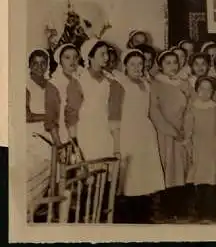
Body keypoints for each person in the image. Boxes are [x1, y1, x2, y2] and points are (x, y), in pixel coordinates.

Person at [115, 49, 165, 223]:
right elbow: (115, 113)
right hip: (129, 131)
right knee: (130, 177)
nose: (137, 67)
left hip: (145, 131)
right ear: (125, 66)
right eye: (132, 64)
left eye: (140, 64)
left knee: (145, 174)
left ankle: (144, 212)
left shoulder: (146, 84)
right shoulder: (120, 84)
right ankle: (129, 215)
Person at [66, 38, 123, 161]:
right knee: (88, 171)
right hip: (85, 130)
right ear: (90, 57)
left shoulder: (112, 82)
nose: (106, 57)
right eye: (102, 54)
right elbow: (71, 113)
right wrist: (74, 142)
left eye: (107, 53)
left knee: (105, 170)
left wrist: (117, 146)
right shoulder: (78, 80)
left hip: (105, 130)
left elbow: (115, 115)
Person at [149, 50, 190, 219]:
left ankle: (181, 207)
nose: (172, 66)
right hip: (165, 134)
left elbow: (191, 107)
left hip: (183, 132)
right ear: (160, 66)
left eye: (175, 62)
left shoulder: (184, 83)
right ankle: (167, 208)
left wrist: (186, 129)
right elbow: (154, 112)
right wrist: (171, 131)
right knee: (168, 169)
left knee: (182, 169)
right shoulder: (156, 85)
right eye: (168, 63)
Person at [183, 76, 216, 220]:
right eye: (202, 89)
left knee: (213, 179)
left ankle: (213, 211)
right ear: (197, 90)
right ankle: (200, 210)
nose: (205, 92)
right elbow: (188, 130)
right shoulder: (192, 108)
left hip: (212, 148)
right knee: (199, 180)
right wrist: (189, 147)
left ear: (213, 91)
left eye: (209, 89)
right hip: (198, 148)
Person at [26, 49, 52, 208]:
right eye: (35, 63)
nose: (39, 67)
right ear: (29, 65)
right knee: (36, 169)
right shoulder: (26, 85)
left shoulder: (50, 84)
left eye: (43, 63)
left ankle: (42, 204)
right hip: (33, 134)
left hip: (49, 131)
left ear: (47, 65)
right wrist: (48, 116)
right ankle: (31, 206)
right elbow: (26, 116)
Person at [44, 43, 80, 146]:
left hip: (84, 132)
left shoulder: (82, 80)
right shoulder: (54, 84)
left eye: (75, 57)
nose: (72, 61)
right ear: (60, 61)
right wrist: (58, 144)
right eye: (67, 57)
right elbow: (50, 117)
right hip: (64, 136)